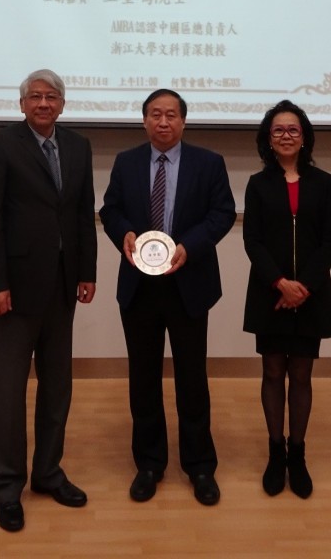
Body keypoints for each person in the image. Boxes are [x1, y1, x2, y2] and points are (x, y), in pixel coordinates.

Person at [0, 69, 97, 532]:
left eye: (52, 97)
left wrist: (87, 272)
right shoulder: (0, 146)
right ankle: (6, 486)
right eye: (36, 97)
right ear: (22, 104)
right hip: (15, 290)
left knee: (57, 388)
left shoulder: (79, 146)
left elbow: (83, 214)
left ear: (62, 104)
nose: (44, 104)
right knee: (7, 393)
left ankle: (47, 473)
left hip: (63, 288)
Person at [100, 88, 236, 506]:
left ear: (183, 121)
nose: (163, 122)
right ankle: (149, 464)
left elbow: (223, 213)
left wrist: (189, 246)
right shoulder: (126, 162)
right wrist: (121, 231)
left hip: (189, 283)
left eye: (171, 115)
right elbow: (110, 210)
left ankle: (199, 465)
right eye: (155, 114)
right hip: (139, 287)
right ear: (144, 121)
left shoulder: (209, 163)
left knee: (192, 378)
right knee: (142, 378)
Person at [242, 99, 331, 499]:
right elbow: (253, 241)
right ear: (269, 139)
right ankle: (274, 452)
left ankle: (297, 454)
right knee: (271, 372)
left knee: (301, 375)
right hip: (269, 293)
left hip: (311, 295)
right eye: (278, 130)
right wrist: (281, 284)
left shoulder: (324, 182)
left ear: (304, 138)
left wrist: (304, 288)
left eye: (293, 130)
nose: (286, 136)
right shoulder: (257, 183)